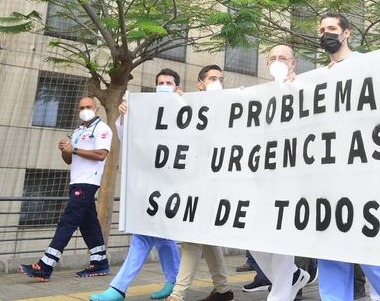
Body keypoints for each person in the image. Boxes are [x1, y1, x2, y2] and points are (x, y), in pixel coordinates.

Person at [315, 15, 380, 301]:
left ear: (346, 33)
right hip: (327, 170)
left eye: (331, 29)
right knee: (327, 245)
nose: (325, 33)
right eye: (322, 30)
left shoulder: (367, 64)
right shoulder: (320, 74)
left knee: (363, 243)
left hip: (359, 169)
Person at [89, 69, 184, 301]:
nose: (164, 85)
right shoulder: (148, 111)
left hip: (173, 185)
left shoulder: (186, 110)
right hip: (151, 184)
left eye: (168, 83)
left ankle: (119, 288)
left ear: (177, 88)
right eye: (160, 82)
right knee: (159, 235)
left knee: (150, 235)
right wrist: (124, 116)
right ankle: (174, 281)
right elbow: (126, 137)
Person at [244, 45, 313, 301]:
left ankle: (281, 293)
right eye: (272, 58)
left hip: (290, 180)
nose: (276, 61)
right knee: (251, 237)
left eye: (282, 58)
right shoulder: (258, 95)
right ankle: (293, 276)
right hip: (260, 179)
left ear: (293, 64)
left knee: (281, 238)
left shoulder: (305, 87)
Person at [19, 97, 112, 281]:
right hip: (76, 181)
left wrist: (74, 150)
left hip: (88, 182)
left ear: (96, 109)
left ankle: (45, 265)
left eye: (88, 107)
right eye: (82, 107)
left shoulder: (102, 129)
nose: (85, 110)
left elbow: (101, 155)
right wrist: (65, 150)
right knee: (88, 223)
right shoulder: (78, 130)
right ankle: (100, 262)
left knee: (67, 222)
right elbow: (69, 160)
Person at [169, 65, 234, 301]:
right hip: (194, 181)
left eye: (220, 79)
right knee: (205, 239)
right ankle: (223, 289)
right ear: (200, 84)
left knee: (191, 238)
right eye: (212, 78)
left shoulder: (231, 106)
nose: (217, 82)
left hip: (214, 182)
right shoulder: (190, 105)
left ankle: (177, 294)